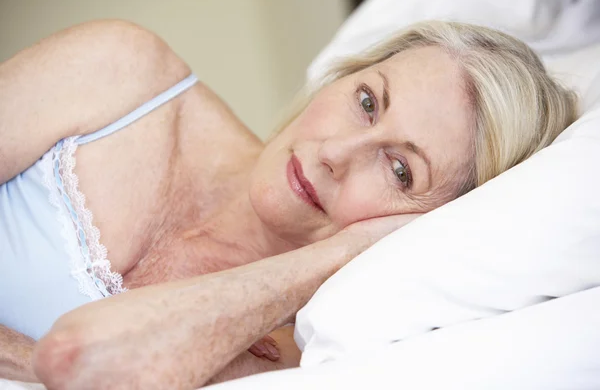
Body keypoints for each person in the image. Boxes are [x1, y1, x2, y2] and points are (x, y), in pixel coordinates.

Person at [0, 19, 577, 389]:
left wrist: (338, 255)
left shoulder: (306, 353)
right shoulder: (122, 74)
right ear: (340, 79)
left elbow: (82, 356)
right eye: (368, 101)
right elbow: (66, 368)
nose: (338, 152)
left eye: (401, 169)